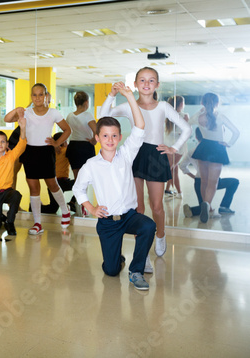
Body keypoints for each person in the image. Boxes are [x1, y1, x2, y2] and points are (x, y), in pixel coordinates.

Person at [100, 67, 191, 258]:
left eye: (151, 81)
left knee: (156, 206)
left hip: (155, 155)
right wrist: (111, 94)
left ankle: (160, 234)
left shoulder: (163, 107)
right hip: (133, 154)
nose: (146, 84)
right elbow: (102, 116)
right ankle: (142, 251)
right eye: (142, 80)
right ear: (135, 85)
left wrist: (173, 147)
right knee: (138, 208)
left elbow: (186, 128)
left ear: (157, 85)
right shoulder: (128, 105)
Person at [73, 84, 156, 291]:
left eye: (114, 136)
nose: (110, 140)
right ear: (98, 138)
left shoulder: (126, 154)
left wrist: (129, 96)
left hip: (129, 216)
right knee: (110, 271)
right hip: (108, 222)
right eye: (105, 136)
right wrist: (91, 208)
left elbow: (139, 127)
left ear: (119, 137)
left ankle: (136, 271)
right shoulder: (91, 165)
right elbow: (78, 189)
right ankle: (116, 256)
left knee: (148, 226)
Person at [4, 83, 72, 235]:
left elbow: (68, 130)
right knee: (34, 188)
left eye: (40, 94)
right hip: (30, 152)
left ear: (46, 95)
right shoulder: (26, 112)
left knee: (52, 184)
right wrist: (17, 110)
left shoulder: (53, 113)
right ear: (31, 97)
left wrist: (56, 142)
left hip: (46, 152)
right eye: (34, 95)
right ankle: (37, 223)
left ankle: (65, 210)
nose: (37, 98)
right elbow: (7, 119)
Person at [191, 93, 240, 223]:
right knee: (213, 182)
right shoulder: (221, 117)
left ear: (202, 103)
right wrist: (228, 144)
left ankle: (208, 207)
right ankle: (207, 205)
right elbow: (236, 132)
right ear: (217, 103)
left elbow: (188, 122)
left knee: (204, 181)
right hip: (218, 148)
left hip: (204, 147)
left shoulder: (199, 117)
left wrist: (199, 111)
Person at [181, 128, 239, 218]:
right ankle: (224, 206)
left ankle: (192, 210)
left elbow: (182, 166)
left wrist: (194, 177)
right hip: (213, 181)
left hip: (198, 182)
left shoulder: (191, 151)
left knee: (204, 206)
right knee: (234, 182)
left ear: (196, 137)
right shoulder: (214, 149)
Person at [39, 132, 77, 214]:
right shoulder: (65, 150)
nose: (67, 143)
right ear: (62, 142)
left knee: (52, 209)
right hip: (61, 182)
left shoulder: (50, 151)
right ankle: (73, 202)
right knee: (81, 183)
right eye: (65, 141)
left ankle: (35, 206)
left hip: (51, 183)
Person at [164, 96, 190, 197]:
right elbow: (186, 131)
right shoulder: (184, 116)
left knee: (173, 169)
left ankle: (177, 192)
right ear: (180, 104)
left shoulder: (166, 115)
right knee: (171, 168)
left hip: (168, 143)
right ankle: (162, 189)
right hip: (178, 145)